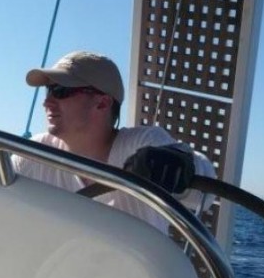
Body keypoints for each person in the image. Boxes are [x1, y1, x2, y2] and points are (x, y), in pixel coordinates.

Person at [13, 51, 216, 233]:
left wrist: (180, 163)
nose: (47, 102)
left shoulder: (142, 143)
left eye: (60, 91)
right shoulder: (34, 155)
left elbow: (203, 195)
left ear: (102, 103)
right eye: (48, 90)